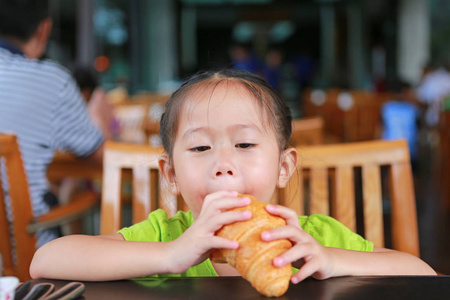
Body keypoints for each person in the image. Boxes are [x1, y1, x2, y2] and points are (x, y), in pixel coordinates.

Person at [30, 69, 436, 283]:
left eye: (244, 145)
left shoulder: (309, 240)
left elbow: (424, 275)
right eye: (201, 148)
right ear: (170, 174)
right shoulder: (167, 235)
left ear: (284, 167)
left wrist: (331, 258)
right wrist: (171, 256)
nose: (223, 163)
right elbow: (46, 261)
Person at [0, 0, 108, 247]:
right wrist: (99, 115)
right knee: (82, 198)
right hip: (27, 259)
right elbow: (98, 154)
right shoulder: (50, 80)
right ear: (43, 29)